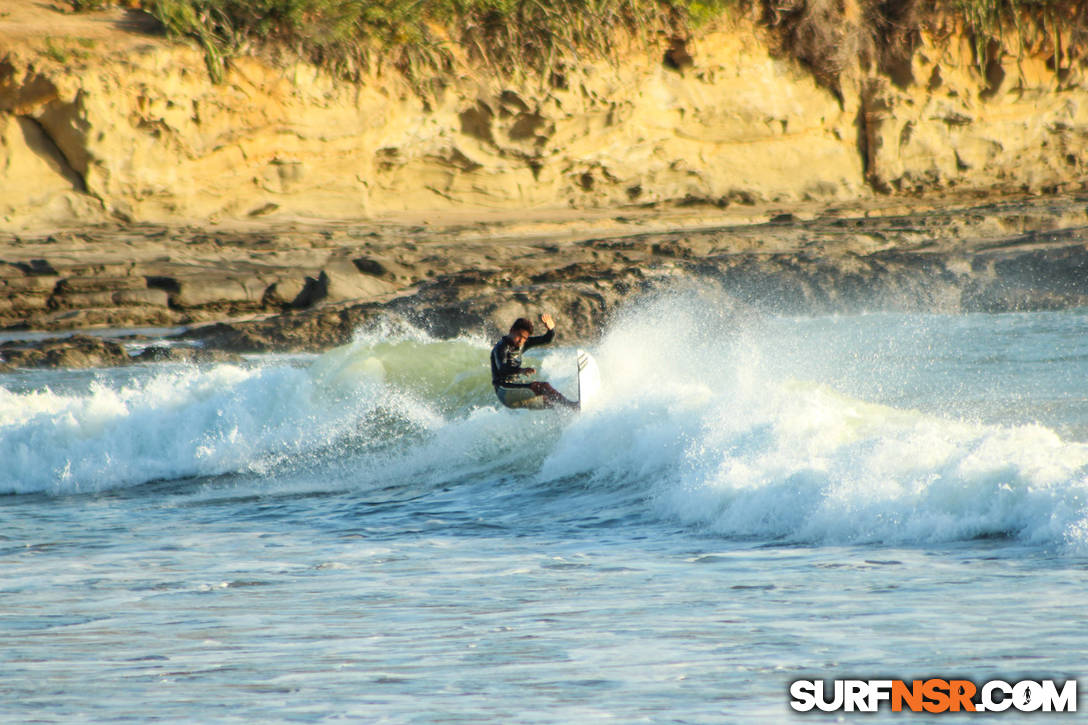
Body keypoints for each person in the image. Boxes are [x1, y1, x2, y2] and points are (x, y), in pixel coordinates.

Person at [491, 313, 578, 410]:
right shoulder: (501, 347)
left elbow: (546, 340)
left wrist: (551, 330)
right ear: (512, 330)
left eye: (524, 338)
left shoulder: (522, 344)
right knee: (543, 386)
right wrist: (521, 370)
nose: (521, 341)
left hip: (516, 390)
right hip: (505, 391)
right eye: (519, 336)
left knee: (551, 403)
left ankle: (570, 414)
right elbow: (502, 369)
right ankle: (573, 406)